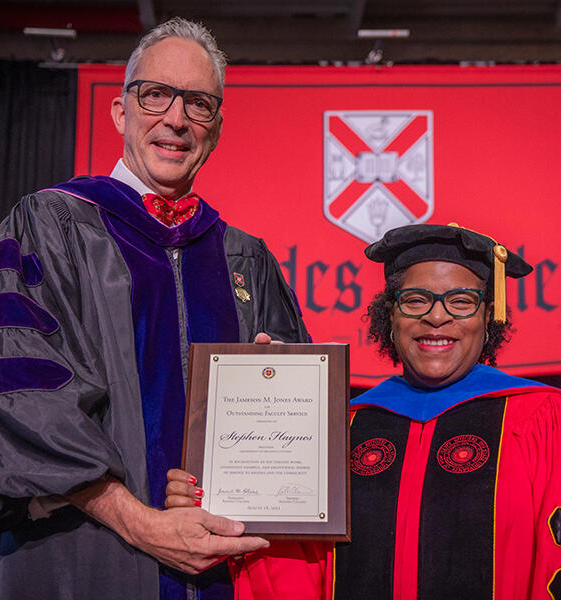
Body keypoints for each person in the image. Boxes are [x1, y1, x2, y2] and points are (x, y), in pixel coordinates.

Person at [0, 17, 310, 600]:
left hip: (222, 570)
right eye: (156, 95)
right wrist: (139, 521)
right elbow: (12, 395)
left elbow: (295, 459)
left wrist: (280, 390)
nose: (176, 119)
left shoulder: (244, 258)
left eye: (198, 104)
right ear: (121, 112)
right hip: (80, 562)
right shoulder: (50, 227)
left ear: (216, 129)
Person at [167, 223, 561, 599]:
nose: (436, 316)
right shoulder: (342, 425)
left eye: (461, 302)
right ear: (390, 315)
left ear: (487, 316)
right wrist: (221, 501)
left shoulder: (540, 418)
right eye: (415, 300)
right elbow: (293, 565)